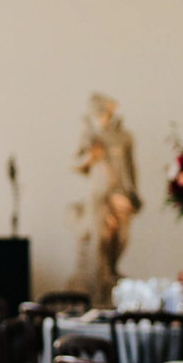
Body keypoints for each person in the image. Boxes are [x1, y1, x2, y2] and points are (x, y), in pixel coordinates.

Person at [71, 93, 141, 304]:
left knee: (121, 238)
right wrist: (91, 155)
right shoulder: (90, 136)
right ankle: (100, 284)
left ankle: (112, 272)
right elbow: (76, 162)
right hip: (99, 195)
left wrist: (134, 191)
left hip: (119, 194)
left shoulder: (123, 136)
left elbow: (131, 166)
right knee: (100, 239)